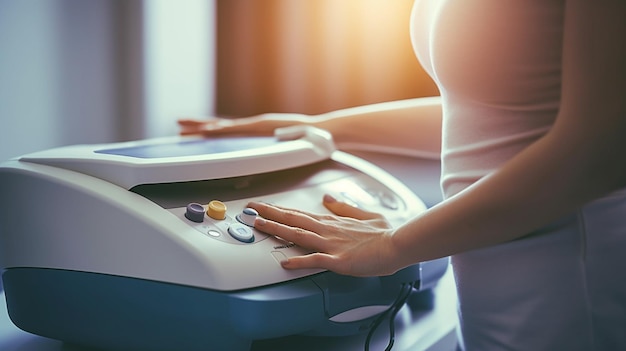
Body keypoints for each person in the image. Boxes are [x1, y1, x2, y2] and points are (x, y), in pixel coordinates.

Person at [179, 1, 626, 350]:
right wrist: (326, 126)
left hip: (570, 280)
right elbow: (501, 114)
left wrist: (393, 244)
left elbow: (597, 151)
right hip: (498, 273)